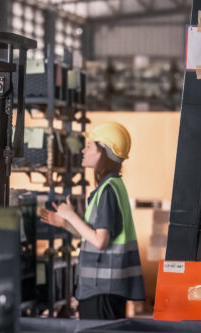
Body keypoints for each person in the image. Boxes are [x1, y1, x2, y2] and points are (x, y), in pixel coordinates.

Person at [38, 121, 145, 320]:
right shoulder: (111, 186)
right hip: (103, 288)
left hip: (102, 289)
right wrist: (66, 224)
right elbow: (95, 234)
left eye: (89, 146)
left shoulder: (107, 191)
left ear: (103, 152)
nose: (83, 151)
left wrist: (71, 215)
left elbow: (100, 241)